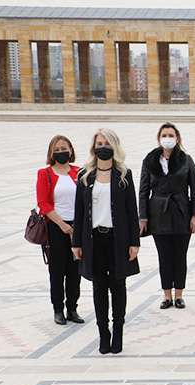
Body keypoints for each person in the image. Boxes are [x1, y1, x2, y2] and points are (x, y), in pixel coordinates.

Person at [71, 129, 140, 355]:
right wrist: (76, 243)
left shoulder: (124, 174)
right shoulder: (85, 175)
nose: (103, 147)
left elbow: (131, 210)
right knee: (98, 288)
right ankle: (103, 333)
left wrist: (134, 242)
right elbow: (79, 212)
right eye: (99, 143)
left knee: (118, 286)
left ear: (114, 146)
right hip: (94, 240)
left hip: (117, 240)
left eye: (107, 143)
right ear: (94, 147)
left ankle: (118, 332)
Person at [138, 123, 195, 310]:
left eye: (171, 135)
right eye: (164, 135)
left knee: (180, 255)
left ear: (177, 138)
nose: (168, 138)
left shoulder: (186, 160)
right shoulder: (150, 160)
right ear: (159, 138)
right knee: (164, 256)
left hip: (181, 212)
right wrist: (143, 217)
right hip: (159, 214)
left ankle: (179, 294)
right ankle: (166, 295)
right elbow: (143, 190)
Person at [36, 135, 83, 325]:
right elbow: (43, 203)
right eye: (57, 149)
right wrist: (62, 224)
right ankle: (58, 309)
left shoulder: (80, 172)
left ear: (71, 150)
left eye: (64, 148)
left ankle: (72, 308)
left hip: (77, 227)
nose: (61, 152)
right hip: (55, 227)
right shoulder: (44, 173)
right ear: (51, 153)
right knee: (57, 271)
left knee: (75, 271)